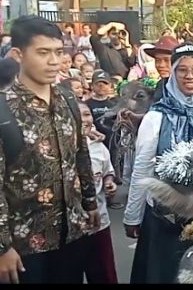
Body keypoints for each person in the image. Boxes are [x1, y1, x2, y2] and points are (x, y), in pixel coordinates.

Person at [0, 16, 99, 284]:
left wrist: (90, 202)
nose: (53, 61)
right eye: (43, 53)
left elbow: (80, 153)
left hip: (70, 235)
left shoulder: (68, 98)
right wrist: (1, 248)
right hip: (23, 247)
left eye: (58, 52)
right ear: (18, 55)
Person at [123, 44, 193, 284]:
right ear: (173, 75)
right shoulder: (156, 117)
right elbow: (142, 169)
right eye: (182, 70)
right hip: (165, 220)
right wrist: (133, 216)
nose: (189, 75)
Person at [78, 102, 118, 284]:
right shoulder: (57, 148)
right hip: (71, 228)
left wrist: (109, 183)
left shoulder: (98, 146)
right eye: (78, 115)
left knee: (104, 274)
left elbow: (108, 171)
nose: (84, 119)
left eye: (87, 114)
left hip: (99, 223)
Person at [85, 71, 117, 149]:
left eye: (105, 83)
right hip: (95, 142)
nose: (101, 86)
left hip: (114, 142)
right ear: (92, 86)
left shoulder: (115, 103)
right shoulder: (86, 105)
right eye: (97, 84)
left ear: (110, 86)